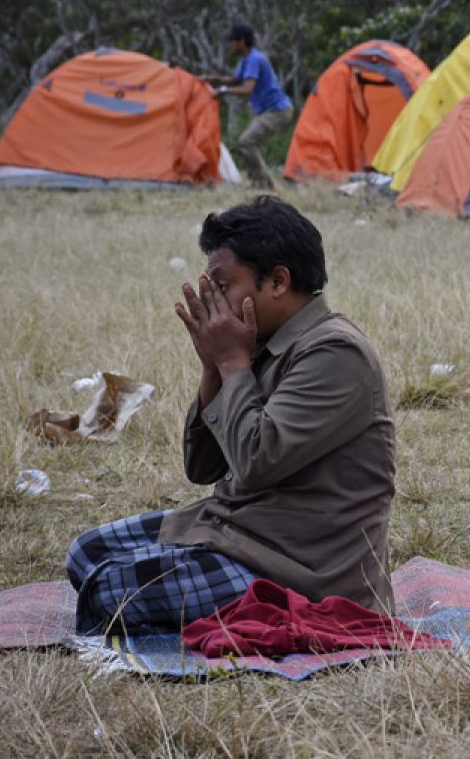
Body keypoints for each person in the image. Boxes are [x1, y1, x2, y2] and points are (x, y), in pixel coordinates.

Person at [66, 197, 396, 635]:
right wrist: (213, 364)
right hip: (240, 530)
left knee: (108, 592)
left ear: (278, 281)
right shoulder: (259, 341)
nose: (213, 300)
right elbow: (202, 467)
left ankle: (251, 608)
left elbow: (257, 461)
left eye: (223, 285)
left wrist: (231, 362)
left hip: (300, 568)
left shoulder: (335, 352)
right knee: (84, 554)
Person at [202, 24, 294, 189]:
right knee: (246, 142)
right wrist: (212, 79)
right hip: (272, 110)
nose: (230, 45)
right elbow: (236, 80)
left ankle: (263, 183)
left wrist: (222, 91)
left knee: (246, 142)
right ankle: (262, 182)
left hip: (277, 110)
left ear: (241, 41)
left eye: (232, 41)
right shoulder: (247, 59)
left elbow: (247, 89)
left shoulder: (254, 60)